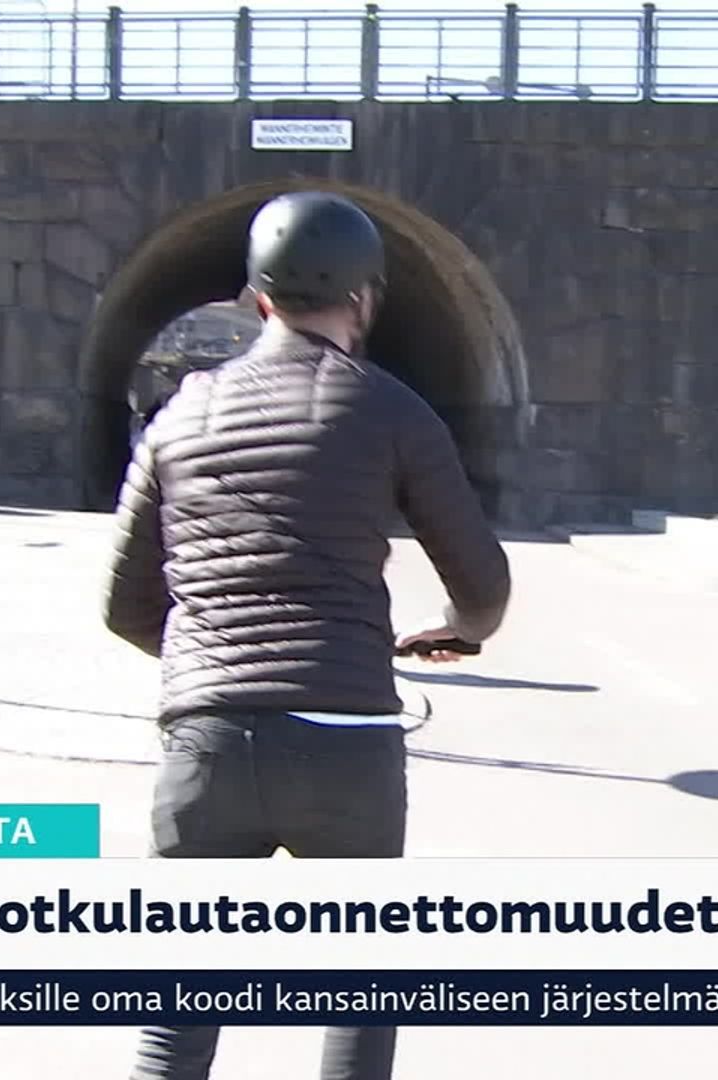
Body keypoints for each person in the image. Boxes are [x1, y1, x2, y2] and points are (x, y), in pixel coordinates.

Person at [102, 189, 513, 1080]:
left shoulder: (176, 419)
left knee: (176, 1018)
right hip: (346, 743)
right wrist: (455, 631)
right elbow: (483, 587)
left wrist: (214, 663)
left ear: (258, 298)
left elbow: (125, 607)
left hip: (207, 743)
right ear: (364, 299)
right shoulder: (392, 410)